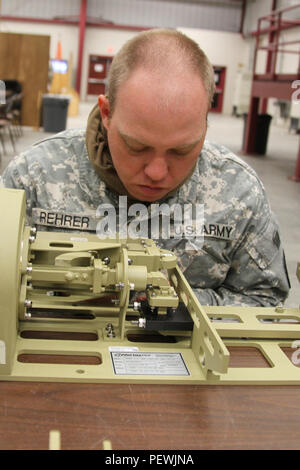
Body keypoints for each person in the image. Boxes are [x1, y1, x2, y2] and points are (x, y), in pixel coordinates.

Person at [0, 28, 290, 306]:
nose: (156, 172)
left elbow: (265, 300)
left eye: (182, 150)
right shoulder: (34, 177)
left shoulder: (239, 193)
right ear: (106, 113)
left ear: (204, 124)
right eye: (136, 147)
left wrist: (166, 305)